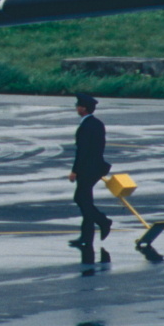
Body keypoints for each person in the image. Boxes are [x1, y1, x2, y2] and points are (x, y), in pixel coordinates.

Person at [68, 93, 112, 247]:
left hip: (87, 169)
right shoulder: (98, 124)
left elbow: (83, 151)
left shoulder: (85, 127)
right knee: (85, 200)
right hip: (96, 167)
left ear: (83, 108)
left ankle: (103, 221)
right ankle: (86, 237)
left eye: (78, 105)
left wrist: (75, 171)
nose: (76, 108)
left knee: (81, 199)